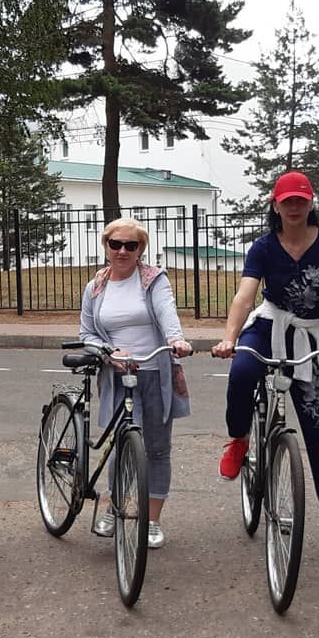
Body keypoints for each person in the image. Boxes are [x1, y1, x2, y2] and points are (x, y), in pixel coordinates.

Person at [212, 171, 319, 564]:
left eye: (300, 200)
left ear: (311, 204)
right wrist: (229, 337)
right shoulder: (263, 246)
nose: (293, 207)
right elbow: (245, 296)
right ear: (275, 205)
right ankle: (238, 439)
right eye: (286, 200)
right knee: (243, 370)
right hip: (269, 327)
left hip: (310, 336)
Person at [80, 218, 193, 549]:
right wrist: (107, 352)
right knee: (124, 442)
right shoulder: (95, 286)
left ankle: (152, 521)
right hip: (118, 375)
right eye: (115, 244)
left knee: (157, 448)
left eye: (131, 245)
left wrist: (176, 339)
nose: (122, 251)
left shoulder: (154, 279)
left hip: (155, 372)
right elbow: (86, 333)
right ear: (106, 246)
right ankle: (113, 508)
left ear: (141, 249)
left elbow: (166, 311)